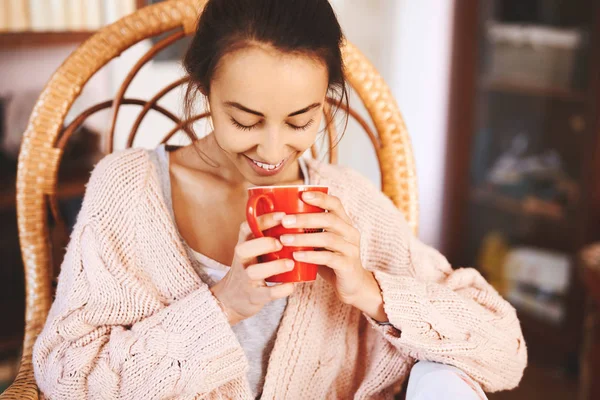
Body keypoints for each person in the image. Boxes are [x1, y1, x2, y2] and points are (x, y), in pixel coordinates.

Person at [32, 0, 526, 398]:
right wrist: (223, 304)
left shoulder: (346, 200)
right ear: (204, 88)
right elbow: (68, 377)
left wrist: (370, 291)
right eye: (245, 120)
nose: (271, 152)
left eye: (300, 121)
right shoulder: (129, 190)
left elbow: (505, 351)